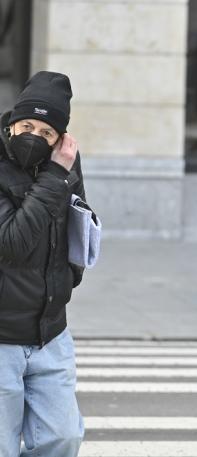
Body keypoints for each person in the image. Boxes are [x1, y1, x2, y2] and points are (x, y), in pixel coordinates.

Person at [0, 71, 86, 457]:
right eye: (26, 125)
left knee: (63, 438)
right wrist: (54, 175)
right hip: (1, 337)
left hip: (50, 332)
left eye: (46, 131)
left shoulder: (67, 165)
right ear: (13, 123)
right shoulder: (56, 169)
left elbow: (79, 225)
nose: (34, 136)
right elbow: (12, 243)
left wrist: (69, 277)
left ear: (59, 139)